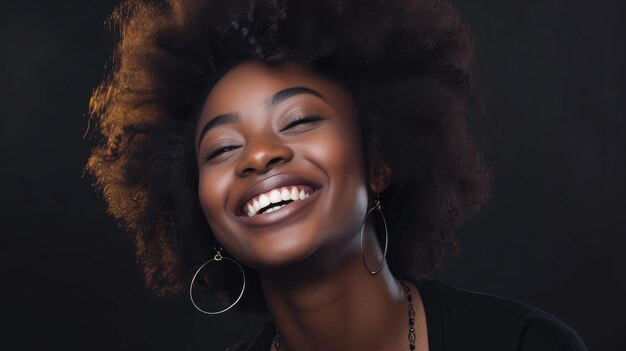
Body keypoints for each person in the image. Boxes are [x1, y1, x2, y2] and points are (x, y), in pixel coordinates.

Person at [85, 0, 588, 350]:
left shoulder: (526, 344)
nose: (259, 156)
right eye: (222, 148)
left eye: (300, 120)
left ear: (378, 163)